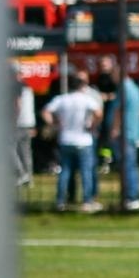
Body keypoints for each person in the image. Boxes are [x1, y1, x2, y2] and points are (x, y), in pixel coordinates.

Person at [43, 69, 102, 212]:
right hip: (84, 139)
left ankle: (60, 201)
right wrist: (92, 125)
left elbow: (46, 111)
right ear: (82, 86)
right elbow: (98, 113)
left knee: (65, 172)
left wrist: (54, 125)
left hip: (66, 139)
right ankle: (87, 201)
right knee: (86, 172)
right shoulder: (87, 99)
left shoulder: (62, 99)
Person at [111, 67, 139, 210]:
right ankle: (134, 195)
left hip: (125, 133)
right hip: (133, 131)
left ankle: (131, 196)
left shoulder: (123, 89)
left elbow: (119, 110)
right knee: (132, 166)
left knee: (127, 166)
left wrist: (115, 128)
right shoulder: (135, 89)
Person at [12, 62, 36, 187]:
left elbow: (18, 104)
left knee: (9, 149)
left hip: (18, 122)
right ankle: (28, 179)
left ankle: (21, 174)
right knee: (26, 153)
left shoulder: (16, 85)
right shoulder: (28, 86)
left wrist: (14, 119)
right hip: (29, 122)